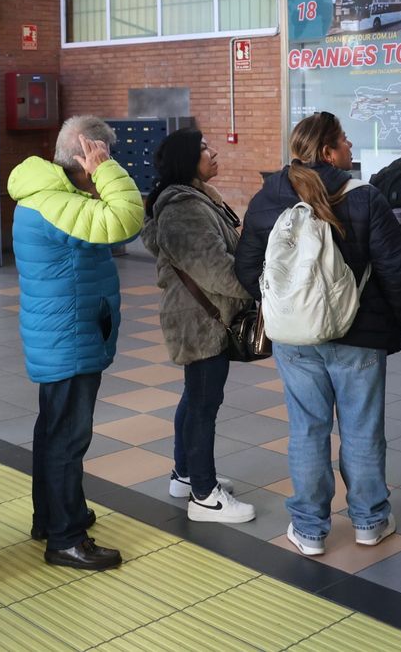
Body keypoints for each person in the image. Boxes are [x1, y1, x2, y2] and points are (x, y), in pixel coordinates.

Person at [238, 112, 401, 557]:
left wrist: (280, 306)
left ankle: (311, 529)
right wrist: (393, 320)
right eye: (345, 140)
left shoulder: (267, 198)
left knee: (307, 429)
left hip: (295, 338)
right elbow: (395, 270)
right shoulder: (366, 197)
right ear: (329, 151)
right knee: (362, 430)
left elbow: (246, 268)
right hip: (359, 335)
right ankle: (370, 521)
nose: (351, 147)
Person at [8, 116, 143, 571]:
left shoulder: (48, 196)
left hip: (63, 332)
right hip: (69, 336)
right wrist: (107, 171)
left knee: (54, 431)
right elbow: (126, 219)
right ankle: (66, 538)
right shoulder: (54, 203)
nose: (110, 164)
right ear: (88, 156)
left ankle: (53, 516)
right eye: (105, 156)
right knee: (67, 437)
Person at [140, 129, 254, 524]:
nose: (214, 152)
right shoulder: (183, 208)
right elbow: (216, 269)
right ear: (188, 159)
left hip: (200, 316)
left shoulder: (195, 199)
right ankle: (205, 495)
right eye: (205, 148)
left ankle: (185, 474)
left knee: (195, 399)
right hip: (200, 320)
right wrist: (259, 289)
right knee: (205, 405)